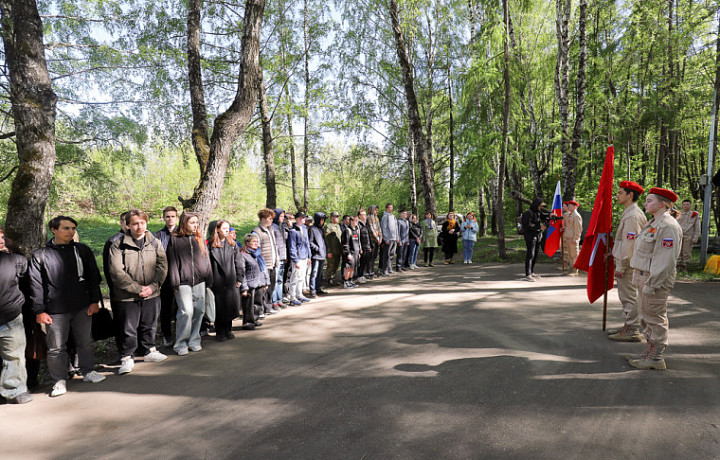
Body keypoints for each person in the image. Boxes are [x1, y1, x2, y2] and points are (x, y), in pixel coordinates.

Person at [29, 216, 106, 397]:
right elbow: (35, 285)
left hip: (82, 306)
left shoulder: (82, 250)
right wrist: (39, 311)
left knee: (85, 341)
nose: (71, 231)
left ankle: (88, 371)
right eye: (66, 228)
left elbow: (93, 277)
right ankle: (59, 381)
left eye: (73, 228)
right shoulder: (41, 255)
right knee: (56, 348)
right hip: (55, 311)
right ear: (54, 230)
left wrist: (95, 301)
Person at [626, 188, 683, 370]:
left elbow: (665, 260)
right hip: (644, 277)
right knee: (646, 317)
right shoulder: (654, 222)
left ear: (663, 203)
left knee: (655, 318)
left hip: (654, 280)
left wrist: (653, 283)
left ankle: (656, 357)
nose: (645, 203)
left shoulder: (667, 226)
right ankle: (648, 352)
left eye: (650, 201)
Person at [108, 210, 168, 375]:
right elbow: (116, 272)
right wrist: (137, 289)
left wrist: (153, 287)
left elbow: (162, 266)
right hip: (127, 296)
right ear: (128, 225)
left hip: (152, 293)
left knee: (149, 324)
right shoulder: (118, 244)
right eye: (135, 223)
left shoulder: (154, 242)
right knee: (129, 328)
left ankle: (149, 350)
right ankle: (127, 357)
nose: (139, 226)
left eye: (142, 223)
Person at [166, 212, 213, 356]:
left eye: (196, 222)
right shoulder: (174, 240)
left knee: (199, 310)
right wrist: (175, 282)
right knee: (186, 311)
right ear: (184, 223)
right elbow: (172, 263)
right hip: (182, 282)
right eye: (192, 222)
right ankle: (181, 343)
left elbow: (207, 260)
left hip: (199, 280)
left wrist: (209, 279)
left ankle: (194, 340)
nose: (195, 225)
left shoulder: (199, 238)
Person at [607, 181, 647, 342]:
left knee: (629, 296)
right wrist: (613, 253)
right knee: (626, 295)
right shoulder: (629, 212)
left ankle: (632, 329)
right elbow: (623, 241)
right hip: (626, 261)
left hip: (628, 264)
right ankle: (628, 325)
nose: (617, 196)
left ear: (630, 195)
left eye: (620, 193)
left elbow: (631, 245)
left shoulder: (633, 215)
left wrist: (622, 265)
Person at [0, 227, 33, 404]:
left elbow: (27, 282)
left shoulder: (14, 260)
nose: (1, 241)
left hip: (11, 316)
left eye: (2, 238)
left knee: (14, 355)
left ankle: (15, 391)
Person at [208, 220, 242, 341]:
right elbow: (208, 265)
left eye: (228, 228)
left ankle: (228, 329)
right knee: (219, 307)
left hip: (230, 280)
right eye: (224, 228)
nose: (227, 230)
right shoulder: (210, 245)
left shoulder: (232, 245)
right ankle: (220, 331)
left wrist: (239, 277)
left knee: (230, 306)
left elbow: (238, 262)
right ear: (217, 229)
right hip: (216, 281)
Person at [102, 211, 130, 348]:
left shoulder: (143, 238)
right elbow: (109, 269)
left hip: (141, 289)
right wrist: (114, 289)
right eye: (127, 221)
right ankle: (123, 350)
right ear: (121, 223)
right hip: (120, 290)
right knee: (122, 321)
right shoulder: (114, 241)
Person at [154, 206, 179, 346]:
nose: (170, 219)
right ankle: (166, 334)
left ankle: (181, 333)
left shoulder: (181, 234)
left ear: (177, 218)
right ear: (163, 218)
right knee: (165, 308)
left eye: (173, 216)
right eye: (167, 216)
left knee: (182, 307)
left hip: (180, 276)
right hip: (165, 277)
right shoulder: (157, 235)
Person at [238, 234, 268, 330]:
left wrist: (266, 281)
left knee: (257, 303)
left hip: (259, 282)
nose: (256, 244)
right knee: (248, 305)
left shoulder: (258, 254)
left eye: (257, 242)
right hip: (249, 283)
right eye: (253, 242)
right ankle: (247, 322)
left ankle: (254, 319)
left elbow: (263, 268)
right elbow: (242, 272)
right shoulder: (243, 255)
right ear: (247, 243)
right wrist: (244, 288)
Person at [253, 209, 280, 315]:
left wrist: (276, 260)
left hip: (272, 263)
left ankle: (268, 306)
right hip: (264, 265)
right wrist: (262, 264)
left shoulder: (270, 230)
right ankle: (261, 309)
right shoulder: (256, 232)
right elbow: (257, 250)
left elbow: (274, 246)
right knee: (263, 288)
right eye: (270, 219)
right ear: (263, 219)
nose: (271, 220)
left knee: (272, 286)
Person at [287, 211, 311, 305]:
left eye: (303, 218)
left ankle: (299, 294)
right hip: (298, 257)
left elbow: (307, 243)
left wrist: (309, 256)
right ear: (297, 219)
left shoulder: (305, 229)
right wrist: (295, 260)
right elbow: (292, 247)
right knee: (295, 277)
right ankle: (292, 296)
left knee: (302, 277)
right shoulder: (293, 231)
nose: (302, 219)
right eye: (300, 218)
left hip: (304, 256)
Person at [521, 198, 546, 281]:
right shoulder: (528, 213)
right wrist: (539, 227)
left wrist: (550, 215)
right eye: (539, 206)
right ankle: (528, 274)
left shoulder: (537, 212)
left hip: (537, 236)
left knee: (535, 254)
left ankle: (531, 272)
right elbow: (527, 225)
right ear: (536, 205)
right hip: (530, 236)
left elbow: (544, 215)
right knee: (530, 254)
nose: (540, 207)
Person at [676, 199, 701, 271]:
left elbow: (697, 227)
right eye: (684, 204)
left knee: (686, 252)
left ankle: (685, 266)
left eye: (687, 204)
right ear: (682, 205)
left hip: (689, 235)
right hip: (679, 235)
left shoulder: (694, 214)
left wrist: (695, 237)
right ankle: (677, 266)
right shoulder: (678, 213)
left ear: (690, 205)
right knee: (678, 251)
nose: (685, 206)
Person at [308, 212, 328, 297]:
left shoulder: (321, 229)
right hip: (316, 255)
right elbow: (310, 242)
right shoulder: (312, 229)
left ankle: (318, 288)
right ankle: (312, 290)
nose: (323, 221)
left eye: (324, 220)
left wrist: (324, 250)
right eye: (321, 219)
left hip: (322, 254)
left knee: (320, 273)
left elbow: (324, 241)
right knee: (314, 273)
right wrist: (317, 248)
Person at [271, 209, 288, 309]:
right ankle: (274, 301)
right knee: (276, 280)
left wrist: (284, 256)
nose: (282, 218)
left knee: (280, 279)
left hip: (282, 256)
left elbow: (283, 243)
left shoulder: (281, 227)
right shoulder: (273, 227)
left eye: (283, 216)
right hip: (276, 258)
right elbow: (275, 244)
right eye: (281, 216)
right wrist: (277, 258)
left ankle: (279, 299)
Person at [562, 201, 583, 276]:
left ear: (575, 207)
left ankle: (575, 270)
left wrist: (576, 238)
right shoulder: (569, 215)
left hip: (572, 238)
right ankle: (571, 268)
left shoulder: (576, 216)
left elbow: (578, 229)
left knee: (574, 254)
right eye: (568, 206)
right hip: (568, 237)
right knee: (570, 254)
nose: (568, 207)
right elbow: (568, 227)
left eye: (570, 206)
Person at [342, 215, 362, 289]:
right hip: (350, 253)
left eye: (357, 221)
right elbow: (345, 243)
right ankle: (346, 282)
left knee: (353, 268)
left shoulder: (356, 230)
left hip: (356, 253)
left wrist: (359, 252)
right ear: (351, 221)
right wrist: (348, 253)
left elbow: (357, 242)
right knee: (348, 268)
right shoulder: (347, 231)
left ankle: (350, 281)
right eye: (355, 221)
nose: (356, 222)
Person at [324, 212, 343, 286]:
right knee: (331, 265)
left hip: (338, 249)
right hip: (331, 250)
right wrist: (329, 251)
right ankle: (328, 279)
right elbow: (327, 240)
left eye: (338, 217)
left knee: (336, 265)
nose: (338, 218)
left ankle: (333, 278)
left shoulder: (338, 226)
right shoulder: (328, 227)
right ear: (332, 217)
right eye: (336, 217)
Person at [380, 203, 399, 275]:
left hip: (394, 239)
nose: (391, 209)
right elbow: (383, 228)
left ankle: (390, 268)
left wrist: (397, 237)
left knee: (392, 254)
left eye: (392, 207)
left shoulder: (393, 216)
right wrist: (386, 239)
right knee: (386, 255)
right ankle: (385, 270)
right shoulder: (385, 217)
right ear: (387, 209)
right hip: (388, 239)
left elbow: (396, 227)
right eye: (390, 208)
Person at [366, 205, 383, 278]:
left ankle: (372, 271)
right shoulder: (368, 218)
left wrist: (380, 237)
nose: (376, 211)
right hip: (371, 240)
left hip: (377, 240)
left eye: (377, 210)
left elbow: (379, 228)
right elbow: (371, 229)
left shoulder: (377, 218)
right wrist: (377, 238)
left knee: (374, 256)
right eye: (375, 210)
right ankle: (369, 272)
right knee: (370, 256)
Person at [357, 209, 373, 280]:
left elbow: (368, 237)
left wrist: (370, 246)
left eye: (365, 214)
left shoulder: (365, 224)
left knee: (365, 262)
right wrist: (360, 248)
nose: (365, 216)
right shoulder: (358, 225)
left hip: (367, 246)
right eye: (363, 214)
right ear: (359, 216)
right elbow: (359, 237)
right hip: (362, 247)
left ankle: (362, 275)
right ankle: (359, 276)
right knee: (361, 263)